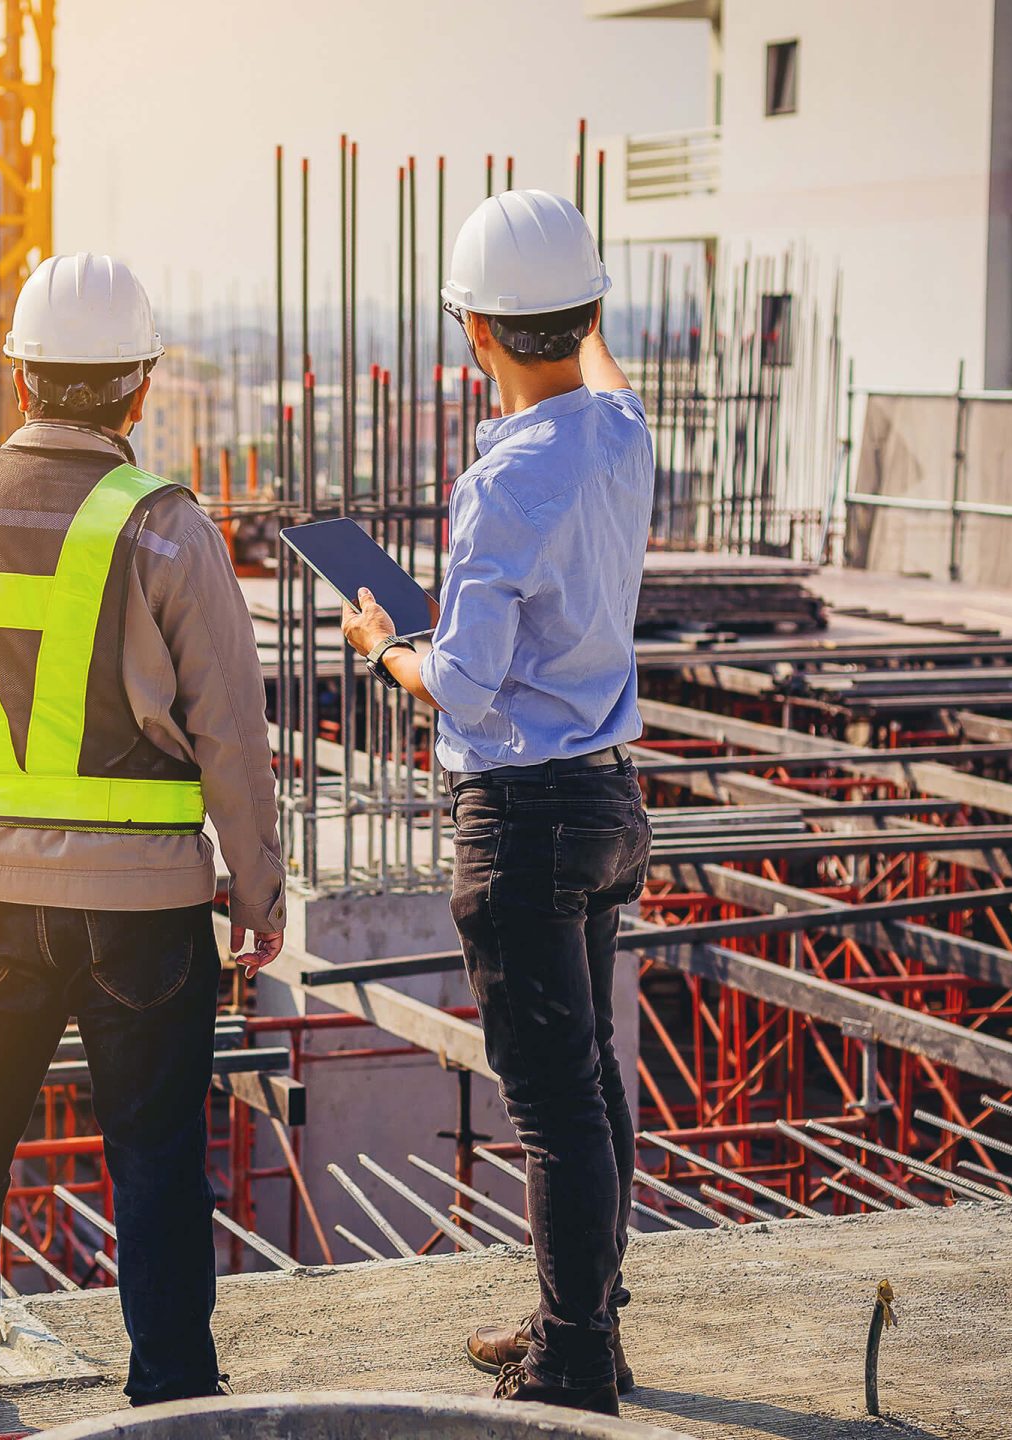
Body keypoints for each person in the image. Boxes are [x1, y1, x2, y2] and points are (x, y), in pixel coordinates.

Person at [0, 252, 286, 1438]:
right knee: (156, 1156)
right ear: (138, 388)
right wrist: (256, 890)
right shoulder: (165, 527)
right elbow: (232, 733)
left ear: (20, 377)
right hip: (143, 908)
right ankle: (169, 1400)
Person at [339, 190, 655, 1417]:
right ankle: (584, 1322)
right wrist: (576, 312)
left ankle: (573, 1358)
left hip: (523, 815)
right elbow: (604, 378)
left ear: (471, 331)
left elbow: (465, 695)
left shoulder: (507, 480)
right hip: (607, 803)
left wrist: (378, 641)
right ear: (583, 317)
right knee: (589, 1084)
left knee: (554, 1105)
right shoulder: (620, 437)